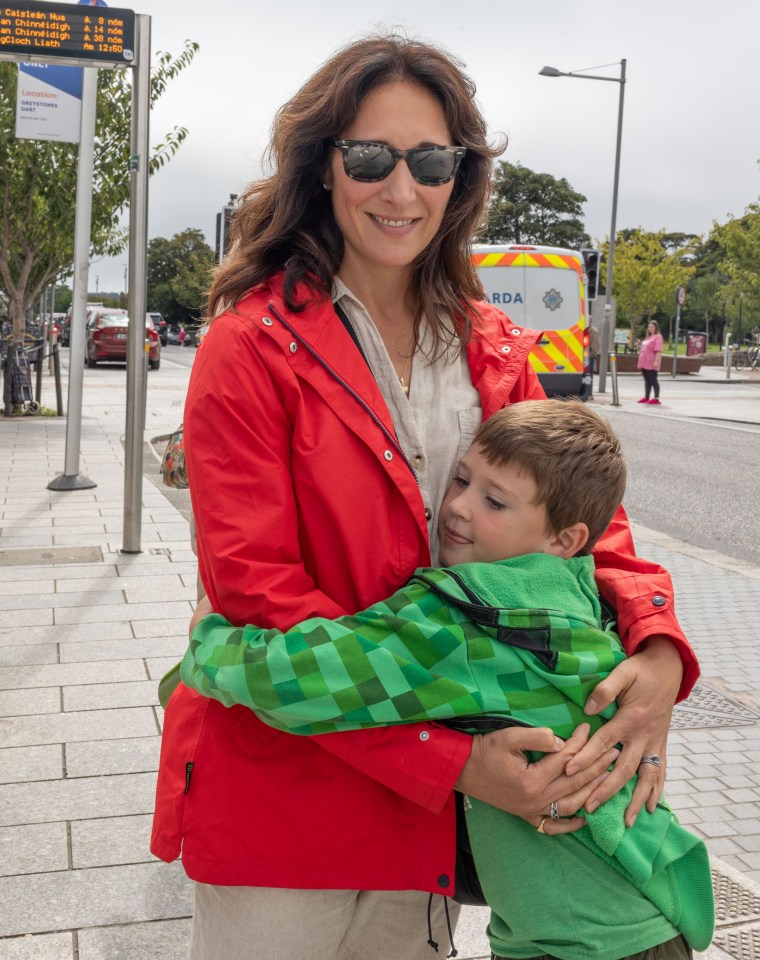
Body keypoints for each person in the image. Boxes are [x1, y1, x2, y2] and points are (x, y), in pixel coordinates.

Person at [150, 34, 699, 960]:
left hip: (436, 831)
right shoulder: (249, 347)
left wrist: (656, 648)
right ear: (323, 167)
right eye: (370, 157)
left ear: (461, 177)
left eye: (431, 160)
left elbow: (580, 524)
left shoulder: (493, 343)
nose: (401, 190)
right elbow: (258, 599)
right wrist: (452, 763)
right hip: (289, 805)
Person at [182, 399, 714, 960]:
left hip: (580, 944)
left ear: (565, 538)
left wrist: (206, 644)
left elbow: (299, 681)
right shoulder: (578, 596)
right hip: (644, 917)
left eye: (493, 501)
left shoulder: (462, 622)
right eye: (460, 478)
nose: (456, 507)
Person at [637, 320, 664, 404]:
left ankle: (656, 398)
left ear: (656, 327)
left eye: (652, 327)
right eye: (649, 327)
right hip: (644, 362)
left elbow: (658, 351)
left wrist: (656, 362)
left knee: (653, 380)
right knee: (647, 380)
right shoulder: (648, 337)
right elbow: (644, 349)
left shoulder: (658, 337)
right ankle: (646, 397)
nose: (650, 328)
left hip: (651, 362)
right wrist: (640, 344)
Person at [587, 318, 600, 398]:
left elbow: (594, 346)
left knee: (589, 375)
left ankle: (589, 393)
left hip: (590, 356)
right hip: (584, 357)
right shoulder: (585, 330)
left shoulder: (593, 331)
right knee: (587, 375)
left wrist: (592, 355)